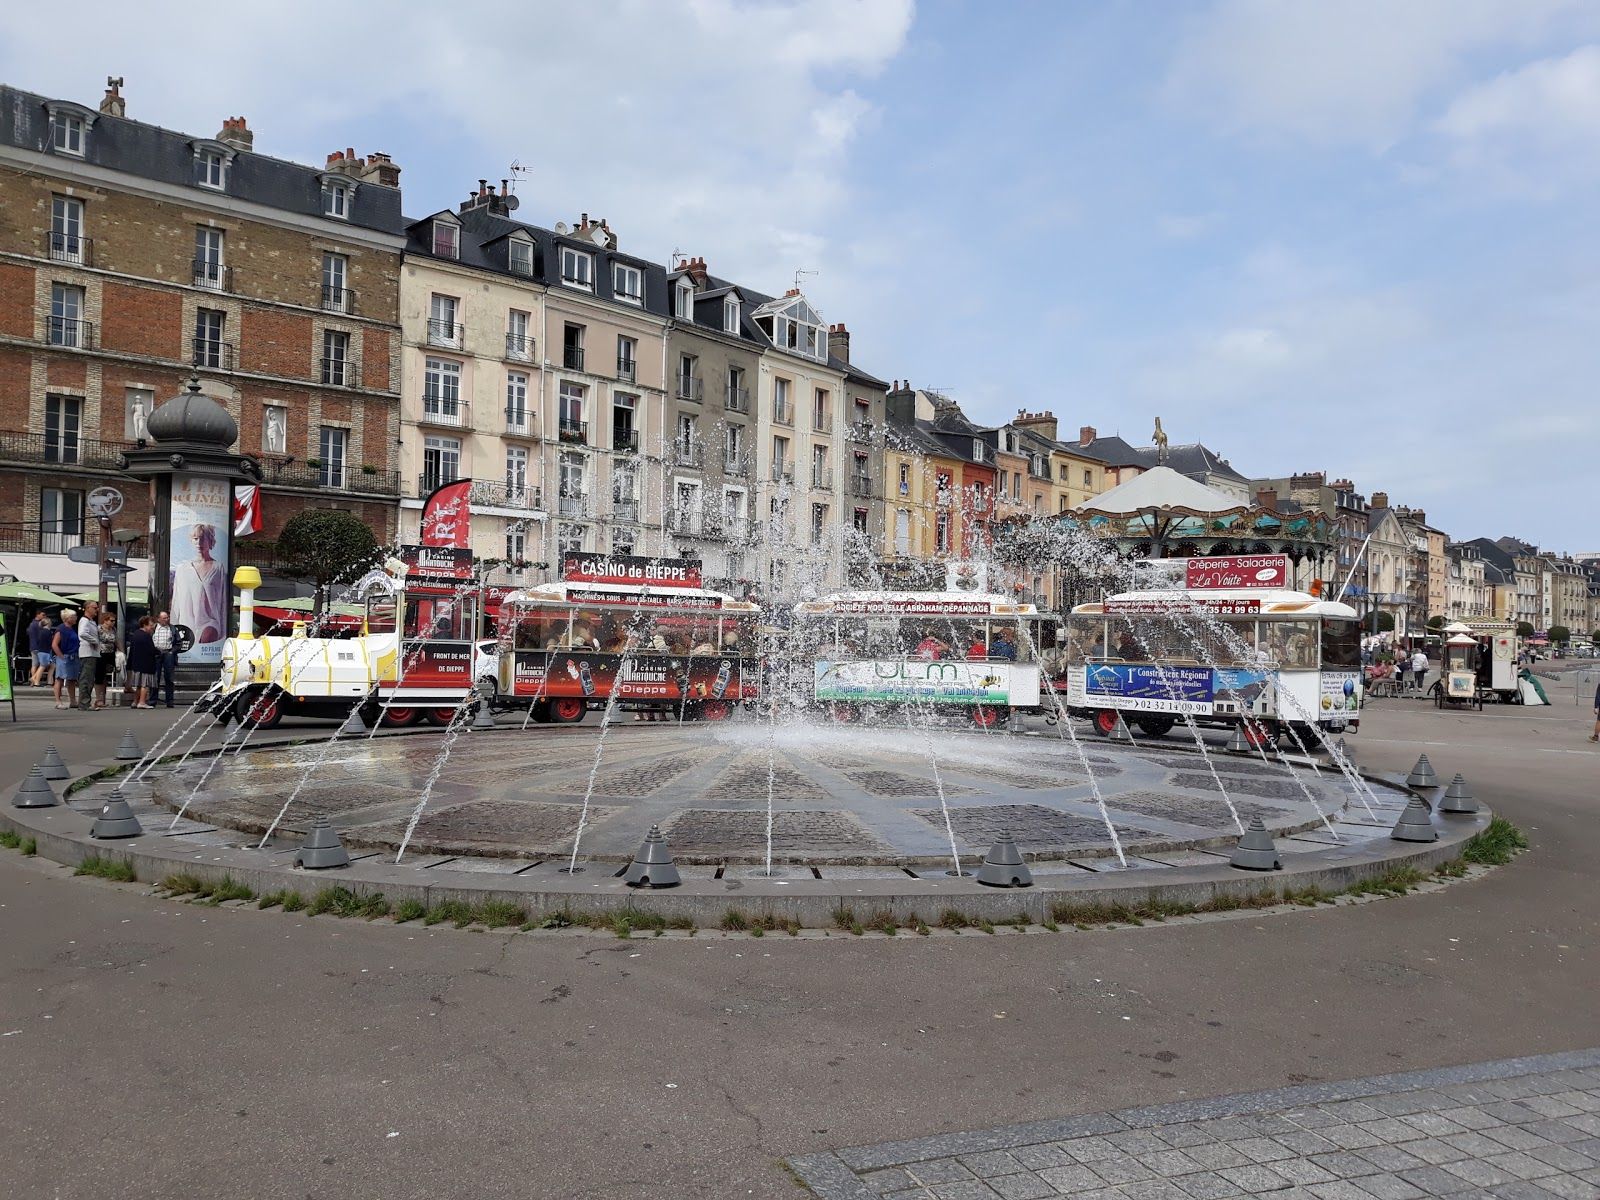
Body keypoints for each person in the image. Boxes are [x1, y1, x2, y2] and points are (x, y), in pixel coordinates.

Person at [171, 523, 226, 645]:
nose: (199, 542)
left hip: (210, 621)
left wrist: (223, 631)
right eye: (195, 538)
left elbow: (223, 601)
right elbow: (176, 600)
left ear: (210, 540)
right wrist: (173, 628)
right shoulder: (182, 568)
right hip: (187, 624)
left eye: (203, 538)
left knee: (206, 638)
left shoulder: (218, 568)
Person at [126, 616, 160, 709]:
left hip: (137, 664)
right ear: (144, 625)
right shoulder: (145, 636)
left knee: (139, 685)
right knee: (145, 685)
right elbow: (151, 649)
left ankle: (135, 701)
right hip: (146, 664)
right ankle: (142, 702)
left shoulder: (136, 634)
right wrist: (159, 652)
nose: (152, 627)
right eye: (151, 625)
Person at [51, 609, 80, 711]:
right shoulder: (61, 629)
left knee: (72, 679)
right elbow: (54, 644)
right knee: (60, 678)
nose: (76, 618)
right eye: (74, 616)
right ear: (68, 618)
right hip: (65, 656)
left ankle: (73, 701)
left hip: (73, 656)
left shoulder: (72, 629)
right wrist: (61, 656)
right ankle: (58, 701)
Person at [76, 600, 102, 711]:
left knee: (90, 678)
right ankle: (84, 703)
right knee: (86, 678)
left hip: (92, 653)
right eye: (94, 608)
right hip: (87, 653)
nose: (97, 610)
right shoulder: (84, 620)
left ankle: (85, 702)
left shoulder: (91, 621)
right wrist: (95, 641)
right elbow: (82, 633)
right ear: (87, 608)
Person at [151, 610, 178, 707]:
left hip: (168, 653)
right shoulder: (153, 628)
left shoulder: (172, 628)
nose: (166, 620)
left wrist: (172, 651)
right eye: (164, 618)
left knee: (169, 678)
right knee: (155, 678)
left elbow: (178, 643)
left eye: (167, 618)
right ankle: (153, 700)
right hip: (157, 654)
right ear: (159, 619)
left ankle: (169, 701)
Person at [94, 610, 116, 708]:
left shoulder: (113, 629)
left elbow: (116, 640)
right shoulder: (99, 629)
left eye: (114, 621)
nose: (113, 622)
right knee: (99, 676)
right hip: (101, 653)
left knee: (106, 677)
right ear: (105, 620)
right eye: (111, 620)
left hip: (110, 653)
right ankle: (98, 699)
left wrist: (121, 652)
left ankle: (104, 698)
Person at [28, 610, 54, 686]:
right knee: (42, 665)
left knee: (35, 664)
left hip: (34, 647)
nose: (44, 616)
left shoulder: (32, 625)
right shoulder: (41, 628)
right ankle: (35, 680)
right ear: (37, 615)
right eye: (43, 615)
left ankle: (34, 680)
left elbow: (28, 632)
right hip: (41, 648)